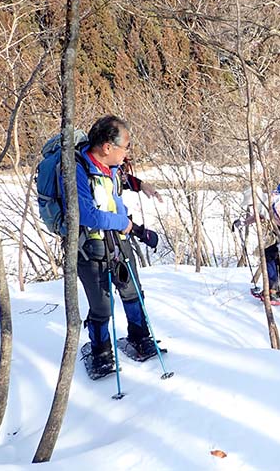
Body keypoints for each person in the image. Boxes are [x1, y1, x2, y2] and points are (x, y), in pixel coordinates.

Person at [69, 115, 158, 376]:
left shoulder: (112, 167)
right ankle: (100, 351)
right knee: (101, 305)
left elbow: (119, 181)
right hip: (90, 248)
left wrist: (142, 185)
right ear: (108, 146)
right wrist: (125, 224)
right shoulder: (77, 169)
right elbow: (88, 214)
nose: (127, 151)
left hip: (118, 243)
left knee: (132, 292)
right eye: (126, 146)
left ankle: (139, 336)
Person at [233, 187, 280, 300]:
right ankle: (273, 287)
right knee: (269, 255)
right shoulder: (266, 205)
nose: (251, 208)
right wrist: (244, 222)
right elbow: (261, 216)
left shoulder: (278, 206)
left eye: (251, 205)